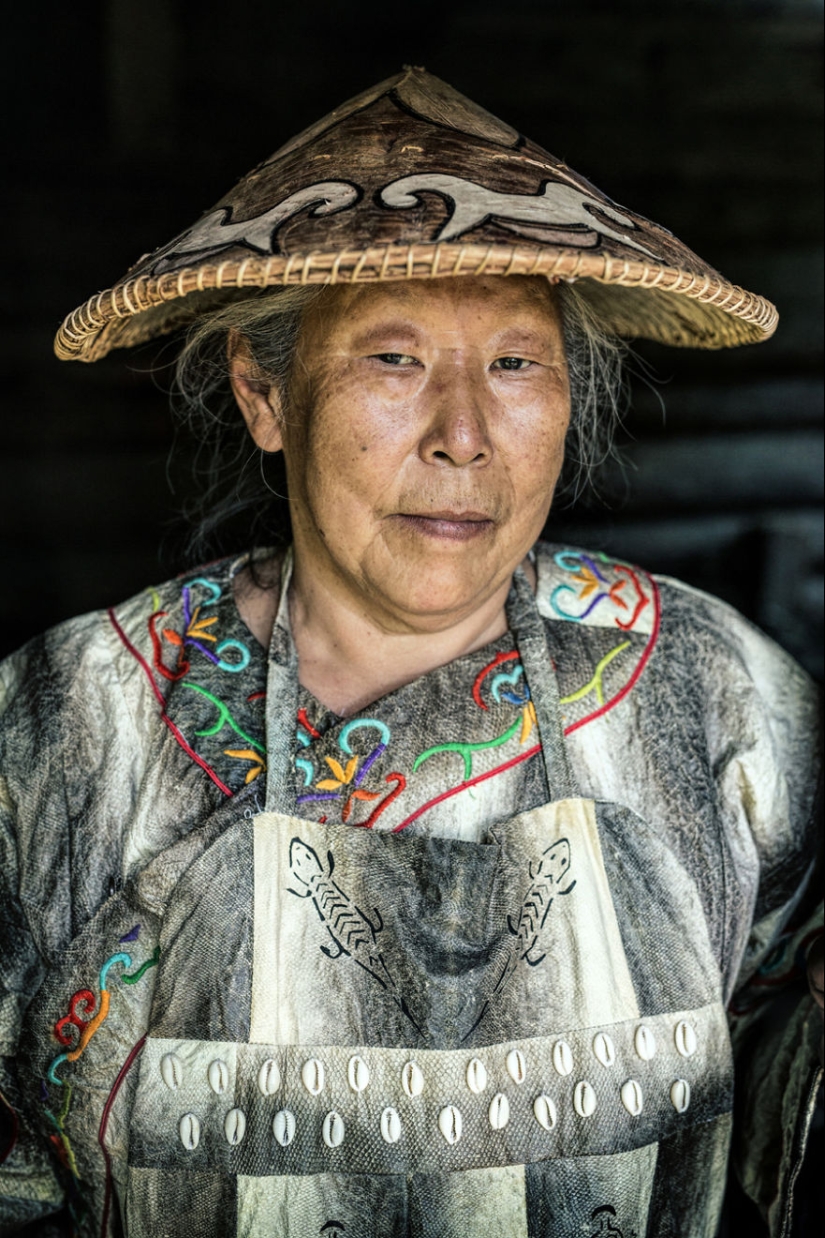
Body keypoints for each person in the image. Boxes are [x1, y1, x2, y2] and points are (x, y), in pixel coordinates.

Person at [0, 67, 821, 1238]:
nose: (464, 436)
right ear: (264, 394)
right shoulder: (69, 720)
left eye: (517, 363)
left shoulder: (709, 687)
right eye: (394, 359)